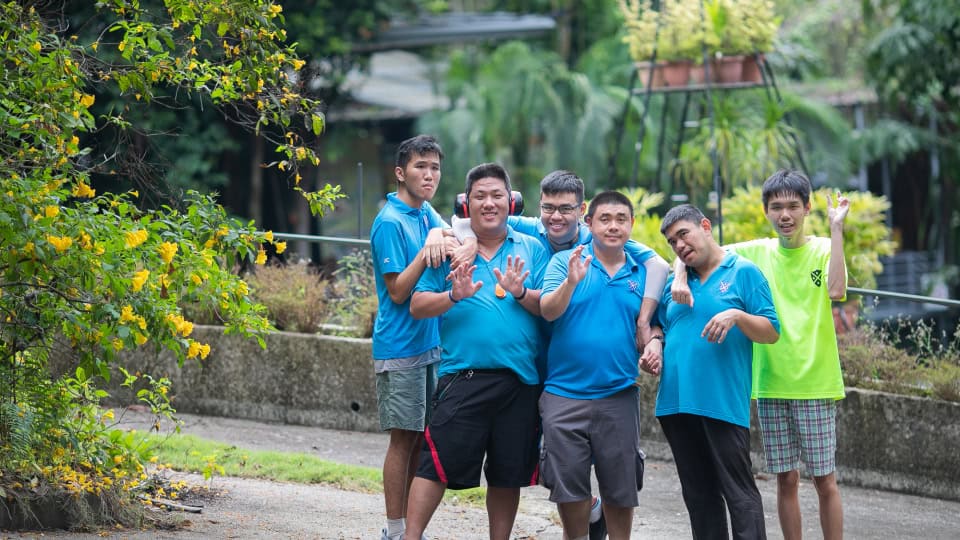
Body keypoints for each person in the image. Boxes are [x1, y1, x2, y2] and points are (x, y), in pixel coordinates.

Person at [454, 170, 670, 538]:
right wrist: (467, 239)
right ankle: (590, 513)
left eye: (565, 209)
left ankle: (596, 512)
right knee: (558, 470)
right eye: (548, 209)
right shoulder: (532, 233)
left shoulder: (606, 241)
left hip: (599, 382)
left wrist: (648, 328)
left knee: (611, 476)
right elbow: (463, 222)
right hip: (538, 371)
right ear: (538, 209)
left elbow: (661, 265)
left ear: (581, 213)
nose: (555, 217)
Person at [671, 170, 850, 540]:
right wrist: (677, 274)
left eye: (793, 206)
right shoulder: (757, 251)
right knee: (785, 479)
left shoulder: (821, 248)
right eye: (776, 207)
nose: (785, 215)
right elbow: (696, 247)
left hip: (815, 381)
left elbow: (835, 290)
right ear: (767, 211)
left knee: (825, 481)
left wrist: (837, 230)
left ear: (807, 208)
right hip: (769, 383)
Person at [405, 163, 549, 540]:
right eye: (480, 197)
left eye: (497, 195)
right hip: (462, 377)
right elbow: (418, 306)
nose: (489, 203)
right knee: (434, 466)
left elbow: (550, 306)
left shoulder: (532, 247)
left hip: (520, 381)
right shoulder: (449, 251)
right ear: (466, 204)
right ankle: (409, 536)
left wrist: (521, 292)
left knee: (507, 474)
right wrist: (454, 295)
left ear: (511, 201)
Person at [646, 204, 780, 539]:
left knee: (739, 493)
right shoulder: (675, 283)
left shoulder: (743, 272)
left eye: (683, 234)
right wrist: (654, 346)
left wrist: (736, 315)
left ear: (705, 226)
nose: (679, 245)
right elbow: (658, 327)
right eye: (672, 242)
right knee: (698, 495)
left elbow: (771, 331)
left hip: (721, 401)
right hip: (675, 403)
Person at [538, 191, 663, 540]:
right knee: (570, 488)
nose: (613, 226)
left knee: (621, 488)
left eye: (621, 219)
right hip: (564, 395)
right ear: (588, 222)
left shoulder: (644, 272)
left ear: (632, 224)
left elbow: (655, 324)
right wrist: (571, 282)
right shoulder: (566, 261)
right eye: (604, 218)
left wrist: (655, 342)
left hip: (618, 395)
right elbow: (548, 310)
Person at [370, 135, 454, 540]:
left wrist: (440, 236)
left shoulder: (425, 213)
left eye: (435, 167)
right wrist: (427, 249)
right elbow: (399, 292)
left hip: (430, 344)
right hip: (399, 347)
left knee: (423, 438)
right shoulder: (390, 221)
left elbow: (452, 236)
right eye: (421, 166)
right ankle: (393, 529)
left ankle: (406, 528)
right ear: (401, 173)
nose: (430, 174)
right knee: (402, 440)